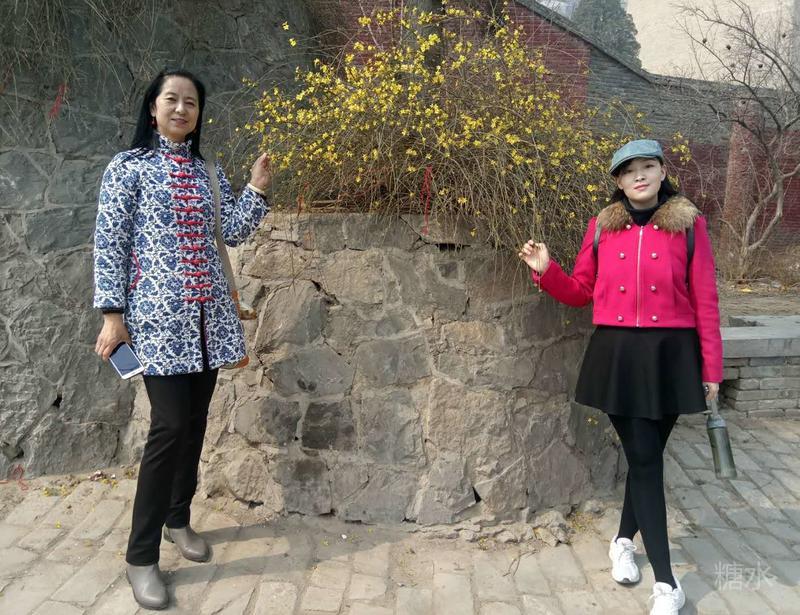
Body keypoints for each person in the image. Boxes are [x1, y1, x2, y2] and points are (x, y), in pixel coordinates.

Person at [93, 68, 272, 610]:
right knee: (168, 427)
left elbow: (232, 231)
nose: (180, 108)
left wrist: (257, 189)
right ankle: (140, 556)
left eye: (190, 102)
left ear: (198, 114)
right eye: (171, 99)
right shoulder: (128, 168)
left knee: (193, 424)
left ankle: (178, 519)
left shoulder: (206, 172)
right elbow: (110, 241)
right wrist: (112, 315)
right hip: (157, 323)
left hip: (208, 322)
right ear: (153, 109)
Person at [518, 139, 721, 615]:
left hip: (671, 357)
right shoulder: (601, 228)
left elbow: (706, 300)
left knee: (647, 458)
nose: (640, 176)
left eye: (648, 166)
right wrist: (547, 271)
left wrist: (712, 369)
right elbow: (580, 292)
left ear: (662, 171)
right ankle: (667, 583)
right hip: (619, 357)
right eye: (629, 171)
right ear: (618, 181)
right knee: (646, 460)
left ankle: (623, 540)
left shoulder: (690, 226)